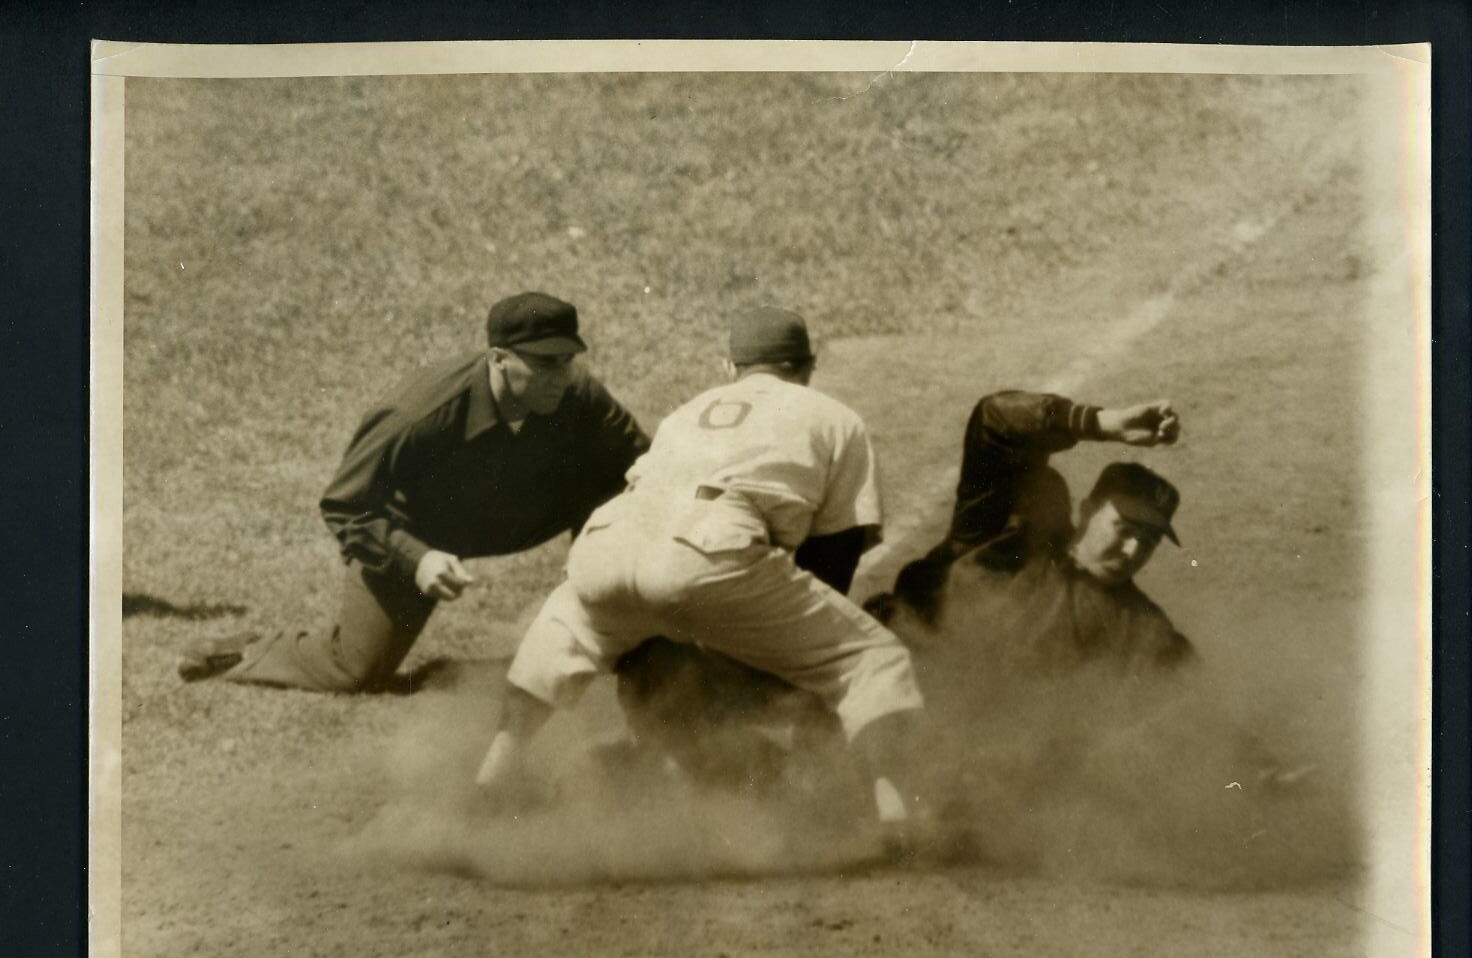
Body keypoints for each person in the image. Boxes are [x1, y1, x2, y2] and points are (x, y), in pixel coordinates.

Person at [474, 306, 925, 821]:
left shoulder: (685, 411)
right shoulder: (834, 417)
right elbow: (833, 562)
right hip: (711, 548)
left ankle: (488, 785)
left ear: (729, 367)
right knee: (873, 658)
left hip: (609, 538)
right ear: (807, 366)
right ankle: (897, 818)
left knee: (560, 638)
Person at [177, 292, 651, 692]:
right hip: (425, 530)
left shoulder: (578, 394)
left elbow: (644, 463)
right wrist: (417, 558)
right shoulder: (418, 412)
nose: (561, 376)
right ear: (498, 359)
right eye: (544, 363)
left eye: (568, 360)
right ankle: (242, 652)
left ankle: (627, 639)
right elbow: (346, 504)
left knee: (620, 490)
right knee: (355, 668)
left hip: (531, 510)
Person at [866, 389, 1192, 673]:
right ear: (1087, 510)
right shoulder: (1006, 537)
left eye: (1148, 541)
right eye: (1125, 529)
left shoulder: (1140, 628)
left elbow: (1197, 705)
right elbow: (995, 418)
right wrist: (1104, 423)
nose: (1133, 551)